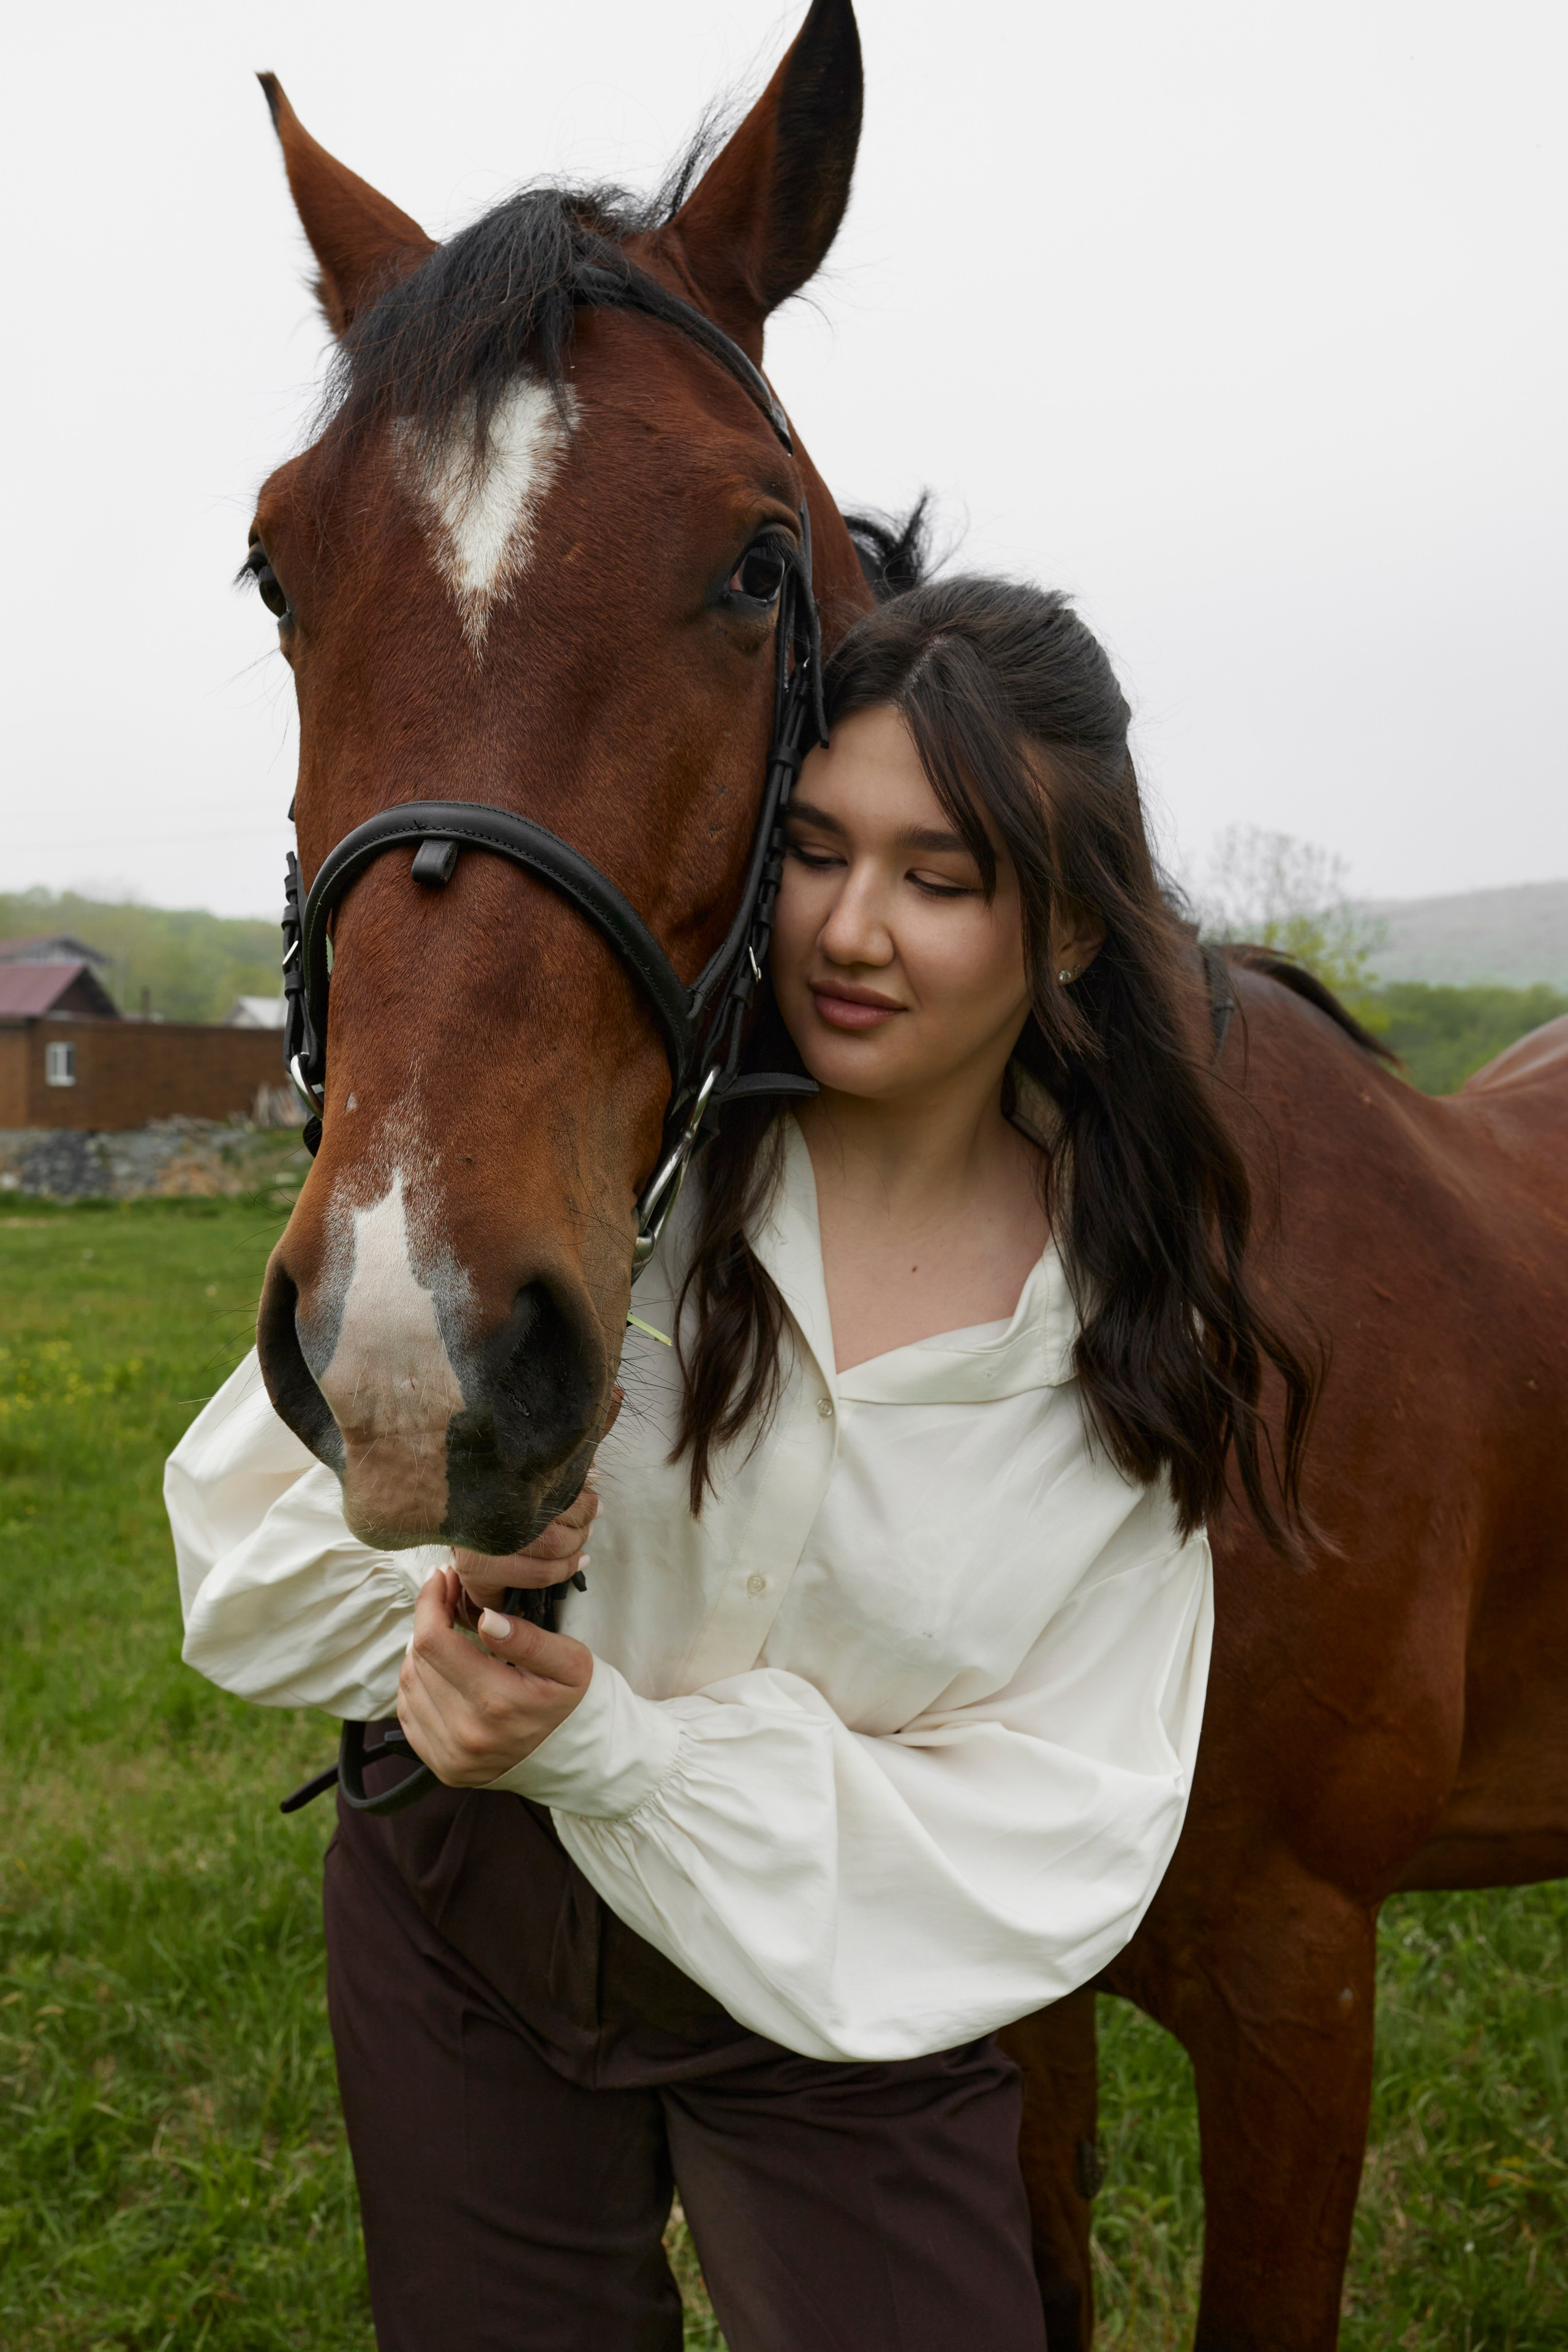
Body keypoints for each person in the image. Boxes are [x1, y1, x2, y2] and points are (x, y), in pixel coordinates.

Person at [166, 575, 1314, 2352]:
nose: (851, 931)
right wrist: (431, 1607)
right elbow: (241, 1549)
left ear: (1072, 929)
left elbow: (1057, 1814)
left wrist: (618, 1747)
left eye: (939, 880)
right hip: (466, 1929)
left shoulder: (1120, 1331)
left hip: (850, 1999)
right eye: (817, 851)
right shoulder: (612, 1174)